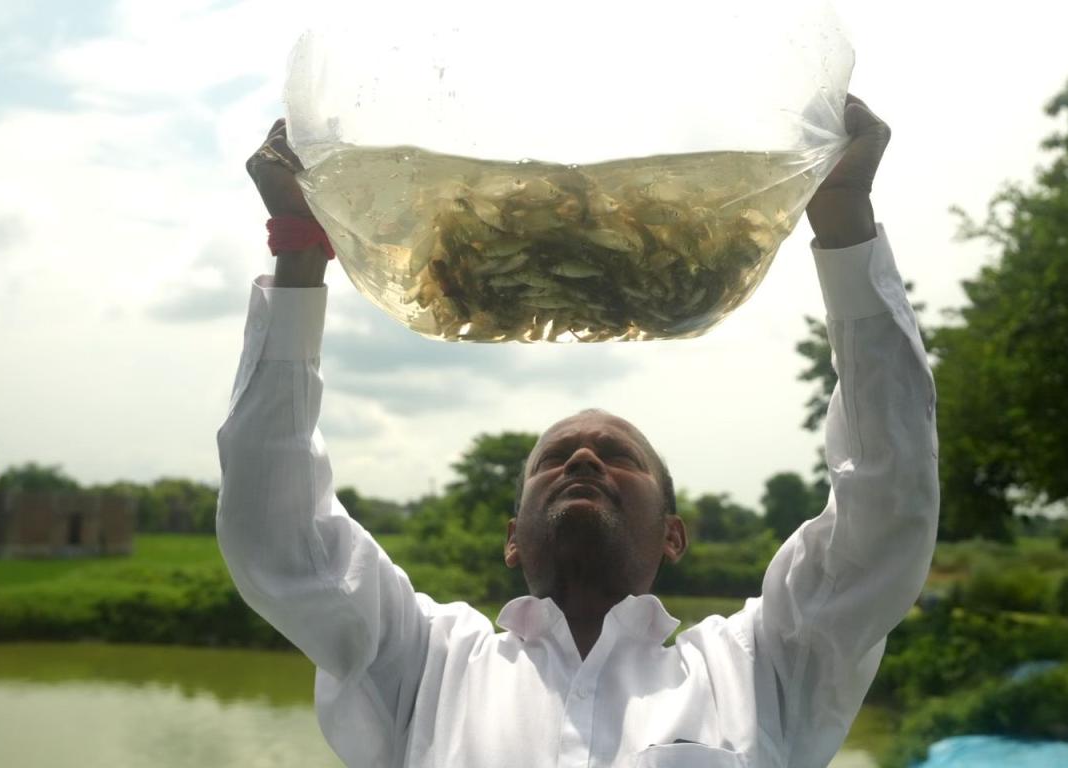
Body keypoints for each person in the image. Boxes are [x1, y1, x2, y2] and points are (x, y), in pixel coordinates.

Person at [217, 95, 939, 768]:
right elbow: (278, 532)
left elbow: (888, 500)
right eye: (554, 458)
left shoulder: (761, 666)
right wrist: (300, 245)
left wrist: (843, 214)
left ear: (673, 535)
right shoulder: (424, 662)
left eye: (619, 456)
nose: (585, 456)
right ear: (511, 536)